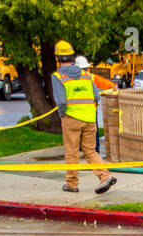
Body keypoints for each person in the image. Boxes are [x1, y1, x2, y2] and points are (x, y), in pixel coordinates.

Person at [50, 41, 115, 195]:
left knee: (71, 152)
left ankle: (71, 184)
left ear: (58, 57)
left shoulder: (57, 76)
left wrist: (63, 115)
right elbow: (96, 96)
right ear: (71, 57)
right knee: (90, 151)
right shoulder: (86, 75)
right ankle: (105, 176)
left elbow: (61, 101)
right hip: (90, 118)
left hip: (71, 117)